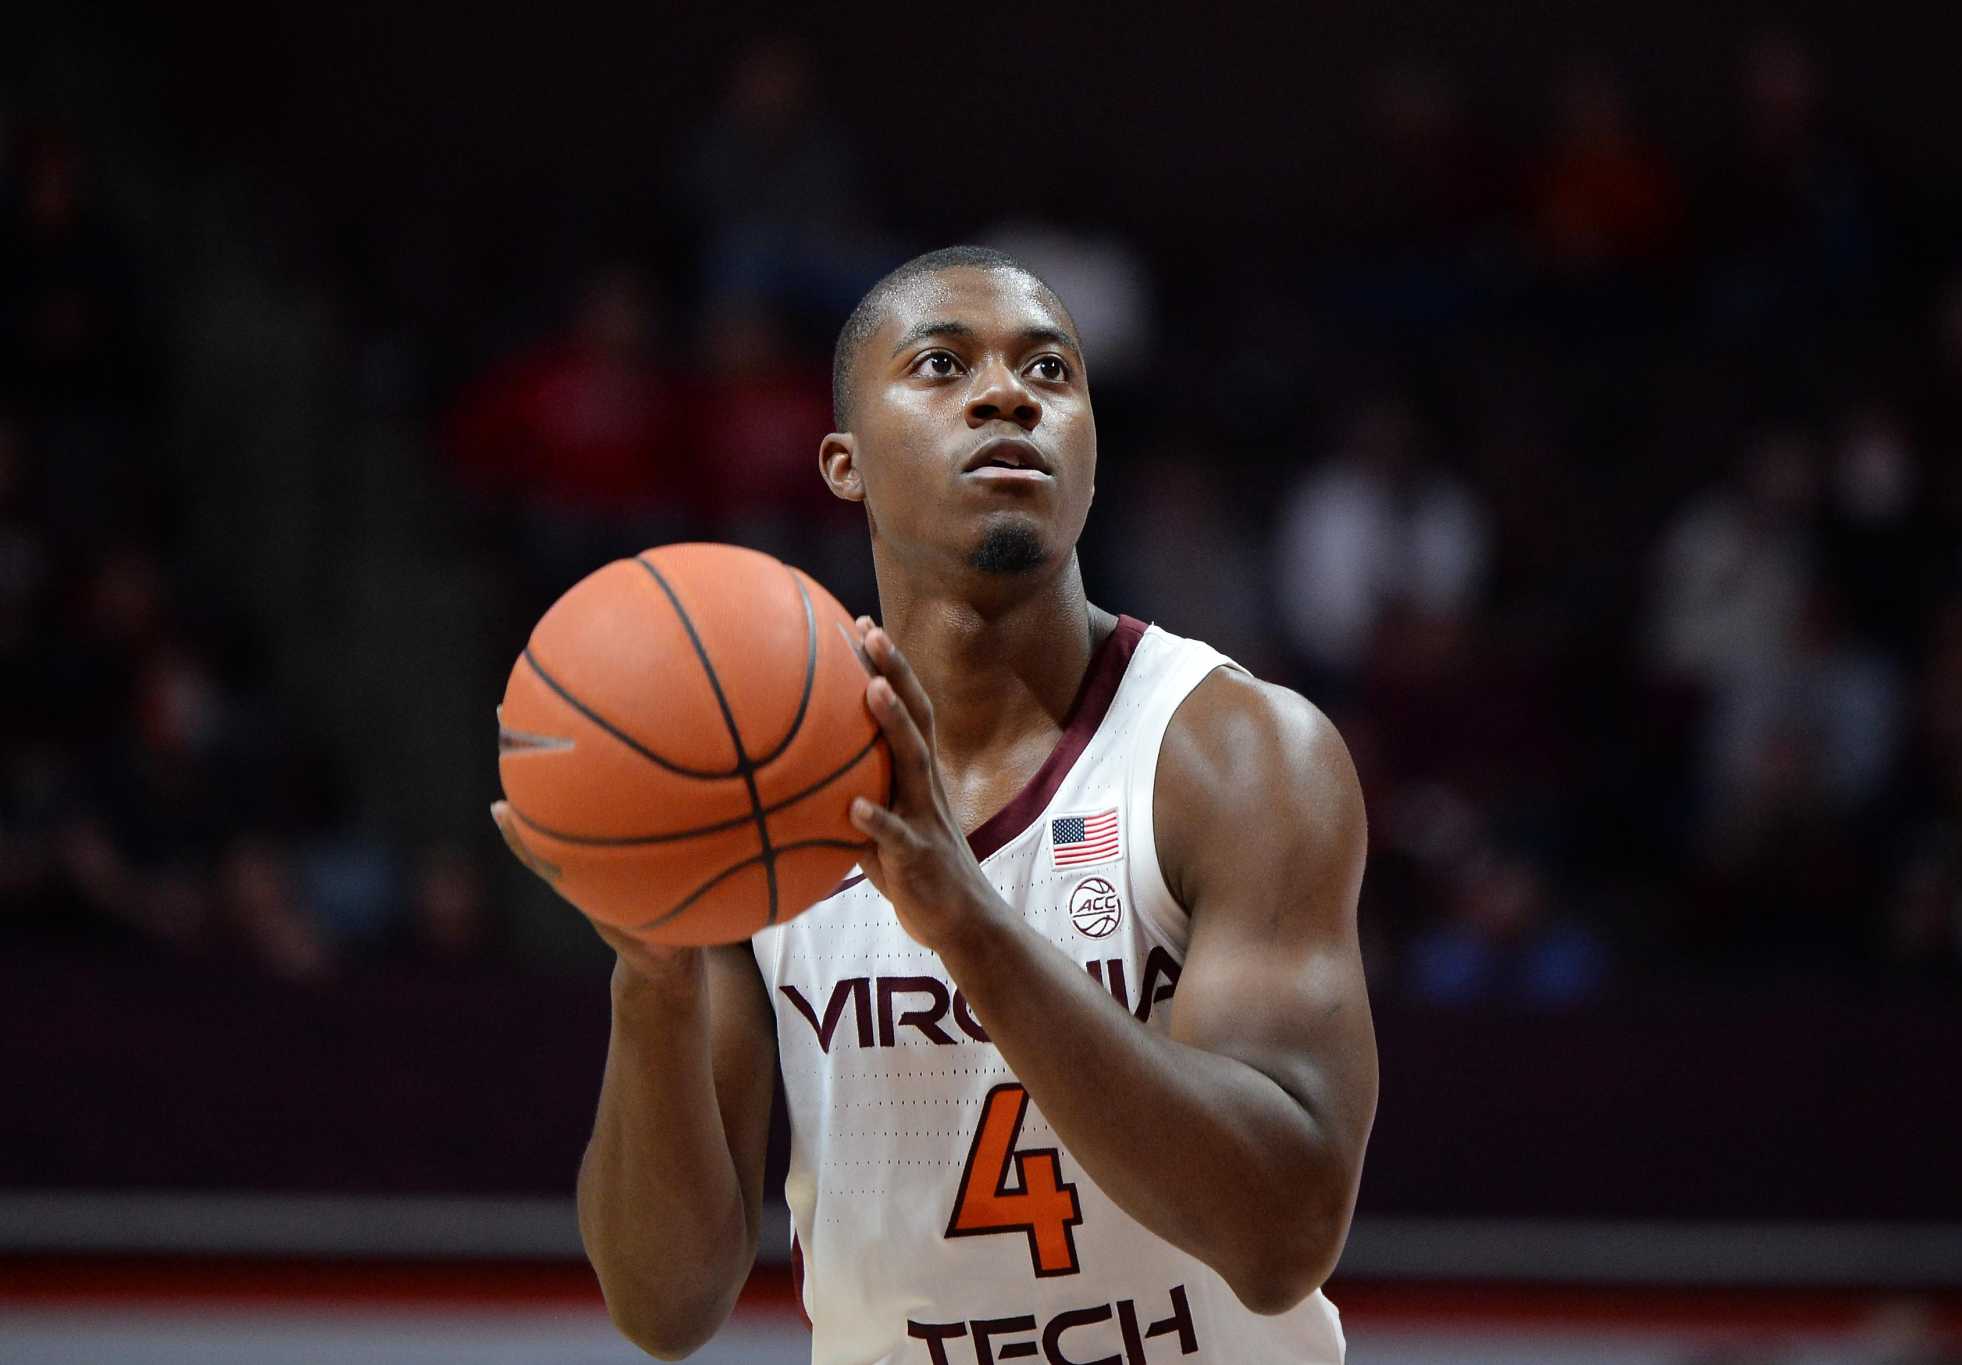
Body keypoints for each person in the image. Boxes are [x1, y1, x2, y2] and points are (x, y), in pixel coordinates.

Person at [493, 246, 1377, 1363]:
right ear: (842, 464)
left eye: (1050, 372)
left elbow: (1280, 1234)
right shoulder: (750, 796)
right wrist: (652, 977)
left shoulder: (1234, 755)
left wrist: (961, 915)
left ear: (1090, 465)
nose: (1008, 394)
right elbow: (665, 1308)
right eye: (942, 365)